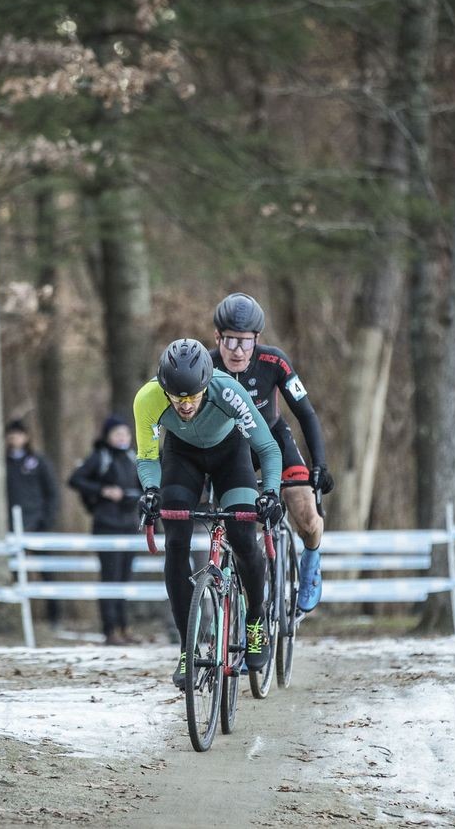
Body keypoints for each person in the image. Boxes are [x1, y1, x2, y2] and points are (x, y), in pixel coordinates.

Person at [134, 339, 283, 687]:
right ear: (164, 388)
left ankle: (256, 620)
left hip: (230, 456)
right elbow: (147, 456)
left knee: (244, 536)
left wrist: (271, 493)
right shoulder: (148, 398)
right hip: (182, 458)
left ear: (206, 384)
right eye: (177, 397)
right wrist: (151, 491)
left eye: (193, 396)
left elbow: (268, 448)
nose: (185, 405)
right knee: (176, 542)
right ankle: (188, 649)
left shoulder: (228, 391)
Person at [210, 292, 334, 613]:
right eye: (230, 341)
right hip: (230, 448)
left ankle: (311, 560)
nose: (237, 351)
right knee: (237, 521)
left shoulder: (274, 361)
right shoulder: (205, 364)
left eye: (246, 342)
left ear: (257, 339)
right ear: (217, 337)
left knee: (305, 514)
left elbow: (305, 412)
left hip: (274, 439)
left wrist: (319, 463)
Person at [68, 415, 143, 646]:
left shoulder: (134, 457)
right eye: (117, 434)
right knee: (110, 578)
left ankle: (124, 627)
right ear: (108, 436)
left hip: (130, 525)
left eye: (125, 433)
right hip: (107, 525)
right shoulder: (99, 457)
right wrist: (104, 491)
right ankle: (109, 630)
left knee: (125, 578)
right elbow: (75, 480)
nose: (122, 437)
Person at [4, 418, 62, 625]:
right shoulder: (3, 463)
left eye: (18, 435)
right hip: (11, 525)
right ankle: (17, 615)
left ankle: (54, 616)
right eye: (10, 435)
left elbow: (52, 493)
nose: (14, 439)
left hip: (37, 523)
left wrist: (46, 520)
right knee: (14, 571)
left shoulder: (39, 462)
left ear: (26, 437)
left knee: (46, 570)